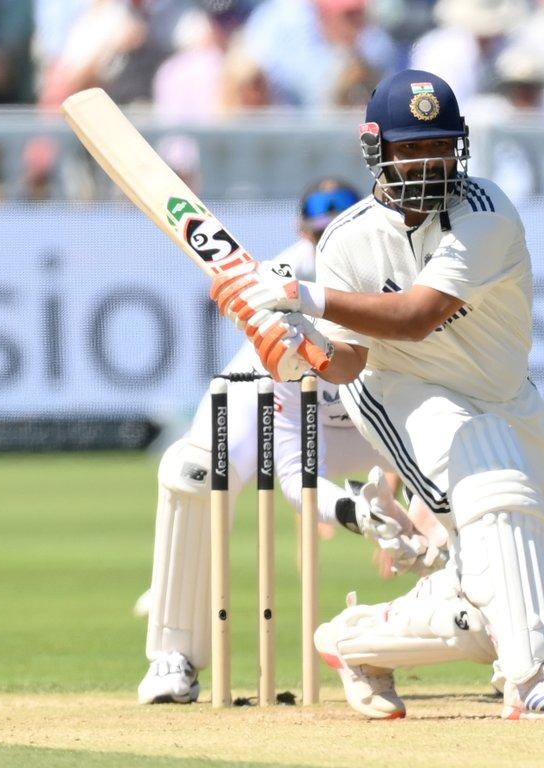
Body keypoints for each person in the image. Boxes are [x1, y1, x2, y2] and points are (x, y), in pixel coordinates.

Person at [209, 69, 544, 720]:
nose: (428, 161)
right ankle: (536, 677)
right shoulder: (347, 240)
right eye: (412, 147)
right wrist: (298, 350)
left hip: (505, 395)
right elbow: (347, 363)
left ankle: (355, 641)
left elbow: (417, 315)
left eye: (440, 145)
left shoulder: (486, 211)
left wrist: (300, 296)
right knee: (496, 488)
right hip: (403, 393)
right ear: (377, 149)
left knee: (487, 595)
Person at [137, 177, 449, 705]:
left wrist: (421, 498)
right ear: (303, 234)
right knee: (193, 473)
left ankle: (516, 636)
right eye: (320, 235)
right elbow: (294, 473)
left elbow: (435, 410)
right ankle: (175, 654)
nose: (330, 246)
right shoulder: (284, 296)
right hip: (268, 401)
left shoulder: (409, 277)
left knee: (518, 455)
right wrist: (356, 511)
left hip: (372, 415)